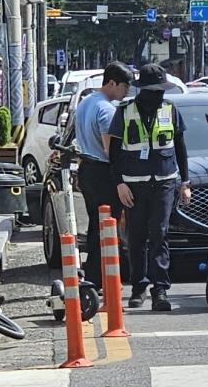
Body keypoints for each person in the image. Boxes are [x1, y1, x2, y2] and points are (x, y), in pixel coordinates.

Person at [109, 63, 191, 311]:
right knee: (136, 238)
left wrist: (185, 183)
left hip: (164, 183)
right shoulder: (125, 112)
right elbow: (113, 153)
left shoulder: (170, 109)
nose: (158, 94)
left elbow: (180, 147)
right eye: (153, 90)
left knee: (159, 233)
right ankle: (138, 288)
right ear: (142, 89)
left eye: (160, 89)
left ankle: (161, 290)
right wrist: (119, 184)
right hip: (133, 186)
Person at [75, 61, 133, 288]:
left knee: (95, 226)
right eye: (124, 86)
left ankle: (93, 276)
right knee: (108, 227)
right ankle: (104, 278)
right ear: (112, 83)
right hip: (103, 172)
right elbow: (112, 151)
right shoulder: (107, 110)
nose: (126, 92)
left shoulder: (86, 102)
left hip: (87, 168)